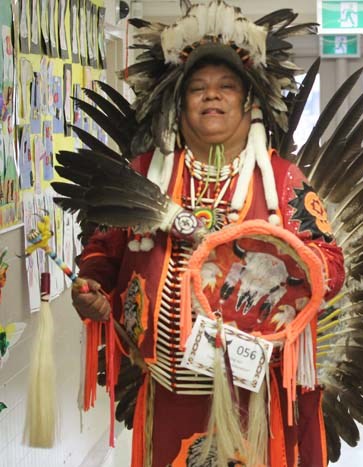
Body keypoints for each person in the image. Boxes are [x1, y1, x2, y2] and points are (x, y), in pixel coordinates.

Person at [68, 3, 344, 466]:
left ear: (248, 101)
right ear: (179, 103)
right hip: (167, 385)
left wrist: (279, 270)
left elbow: (330, 268)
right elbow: (103, 254)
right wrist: (91, 288)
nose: (211, 97)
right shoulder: (145, 178)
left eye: (225, 87)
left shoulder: (281, 181)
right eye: (196, 88)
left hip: (255, 391)